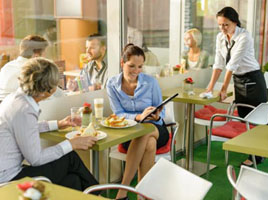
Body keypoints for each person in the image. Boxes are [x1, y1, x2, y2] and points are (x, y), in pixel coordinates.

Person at [0, 57, 99, 192]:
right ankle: (100, 195)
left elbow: (24, 128)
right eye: (55, 84)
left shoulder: (15, 99)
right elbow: (36, 159)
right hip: (9, 180)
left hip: (6, 173)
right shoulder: (25, 110)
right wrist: (72, 143)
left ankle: (96, 194)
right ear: (45, 91)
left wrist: (58, 124)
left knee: (73, 180)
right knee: (70, 157)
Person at [204, 7, 268, 166]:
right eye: (220, 25)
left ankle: (257, 156)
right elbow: (218, 63)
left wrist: (224, 88)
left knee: (255, 120)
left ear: (234, 22)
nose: (222, 28)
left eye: (226, 25)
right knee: (244, 118)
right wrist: (210, 87)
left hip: (253, 80)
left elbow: (232, 64)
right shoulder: (220, 37)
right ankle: (252, 152)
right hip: (239, 80)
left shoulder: (244, 37)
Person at [106, 44, 169, 199]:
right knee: (148, 143)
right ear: (122, 63)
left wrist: (156, 115)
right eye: (131, 66)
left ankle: (123, 192)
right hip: (130, 133)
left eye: (140, 66)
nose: (136, 71)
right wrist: (138, 117)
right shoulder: (112, 84)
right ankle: (143, 196)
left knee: (145, 131)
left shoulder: (151, 82)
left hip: (156, 129)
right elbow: (118, 114)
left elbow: (163, 111)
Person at [0, 35, 48, 101]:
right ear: (36, 56)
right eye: (45, 53)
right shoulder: (33, 70)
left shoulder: (7, 66)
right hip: (18, 107)